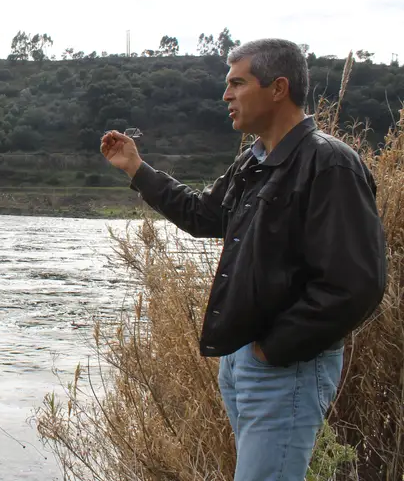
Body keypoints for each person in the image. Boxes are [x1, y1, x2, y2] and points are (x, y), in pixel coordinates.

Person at [99, 38, 387, 480]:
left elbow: (356, 285)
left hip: (286, 366)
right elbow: (203, 214)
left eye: (237, 83)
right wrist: (137, 169)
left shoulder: (328, 163)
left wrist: (272, 350)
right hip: (246, 363)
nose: (225, 95)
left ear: (278, 88)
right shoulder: (255, 163)